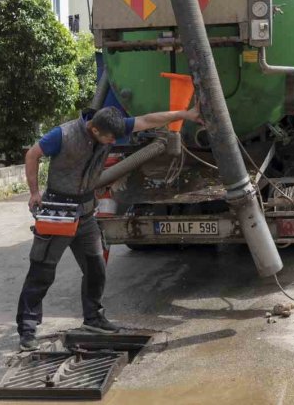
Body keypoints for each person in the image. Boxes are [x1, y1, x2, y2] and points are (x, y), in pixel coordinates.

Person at [16, 104, 202, 351]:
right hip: (58, 210)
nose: (113, 141)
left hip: (86, 213)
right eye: (109, 138)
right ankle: (27, 329)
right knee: (42, 271)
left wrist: (184, 114)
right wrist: (34, 193)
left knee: (96, 267)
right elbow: (32, 154)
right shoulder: (63, 134)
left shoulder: (110, 124)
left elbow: (147, 119)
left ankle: (93, 318)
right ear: (94, 129)